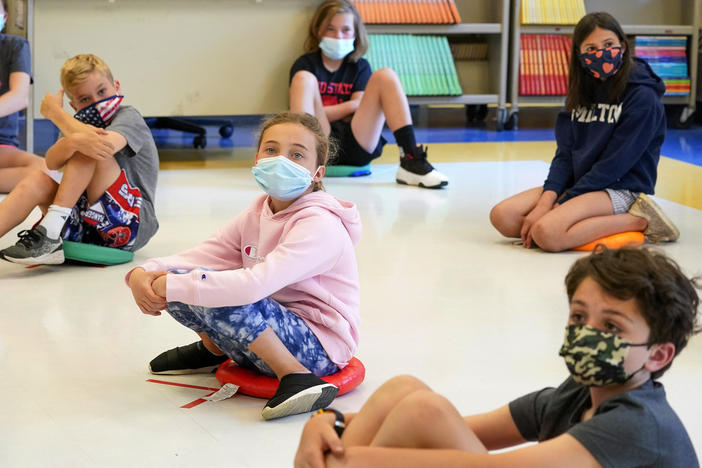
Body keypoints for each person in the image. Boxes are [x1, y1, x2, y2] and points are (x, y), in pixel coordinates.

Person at [295, 246, 699, 467]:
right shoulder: (574, 395)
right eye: (579, 316)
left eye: (611, 327)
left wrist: (348, 462)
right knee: (414, 400)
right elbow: (448, 427)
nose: (587, 333)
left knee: (416, 414)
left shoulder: (639, 426)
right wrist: (331, 423)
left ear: (658, 355)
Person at [126, 112, 362, 421]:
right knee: (192, 280)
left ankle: (296, 377)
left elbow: (254, 285)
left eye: (296, 155)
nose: (281, 160)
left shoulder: (320, 224)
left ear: (317, 172)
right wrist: (144, 273)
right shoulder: (257, 211)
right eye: (271, 150)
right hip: (271, 328)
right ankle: (213, 350)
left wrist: (168, 285)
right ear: (256, 158)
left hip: (319, 349)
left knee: (214, 287)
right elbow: (204, 254)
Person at [490, 12, 678, 252]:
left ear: (622, 44)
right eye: (591, 48)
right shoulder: (581, 91)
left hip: (620, 186)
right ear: (580, 56)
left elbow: (615, 164)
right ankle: (580, 220)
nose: (601, 53)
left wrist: (561, 204)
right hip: (581, 183)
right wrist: (547, 200)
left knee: (547, 233)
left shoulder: (643, 97)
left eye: (608, 45)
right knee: (503, 216)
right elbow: (565, 153)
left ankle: (641, 221)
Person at [0, 53, 159, 264]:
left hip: (131, 224)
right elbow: (52, 163)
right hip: (83, 221)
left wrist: (56, 114)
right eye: (85, 99)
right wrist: (69, 142)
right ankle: (51, 233)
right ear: (74, 106)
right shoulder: (76, 126)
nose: (96, 101)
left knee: (90, 146)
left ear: (117, 86)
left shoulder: (129, 116)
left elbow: (101, 145)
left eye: (102, 91)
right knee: (38, 178)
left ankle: (50, 232)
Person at [289, 0, 448, 189]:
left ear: (355, 34)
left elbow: (358, 108)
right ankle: (298, 165)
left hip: (358, 142)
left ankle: (411, 159)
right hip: (319, 146)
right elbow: (311, 114)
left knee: (385, 76)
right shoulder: (306, 65)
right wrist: (350, 106)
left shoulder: (360, 67)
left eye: (345, 30)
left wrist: (324, 109)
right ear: (318, 30)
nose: (338, 36)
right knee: (303, 79)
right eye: (330, 29)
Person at [0, 0, 46, 193]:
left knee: (45, 169)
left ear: (5, 17)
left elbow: (20, 97)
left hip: (3, 145)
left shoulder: (15, 46)